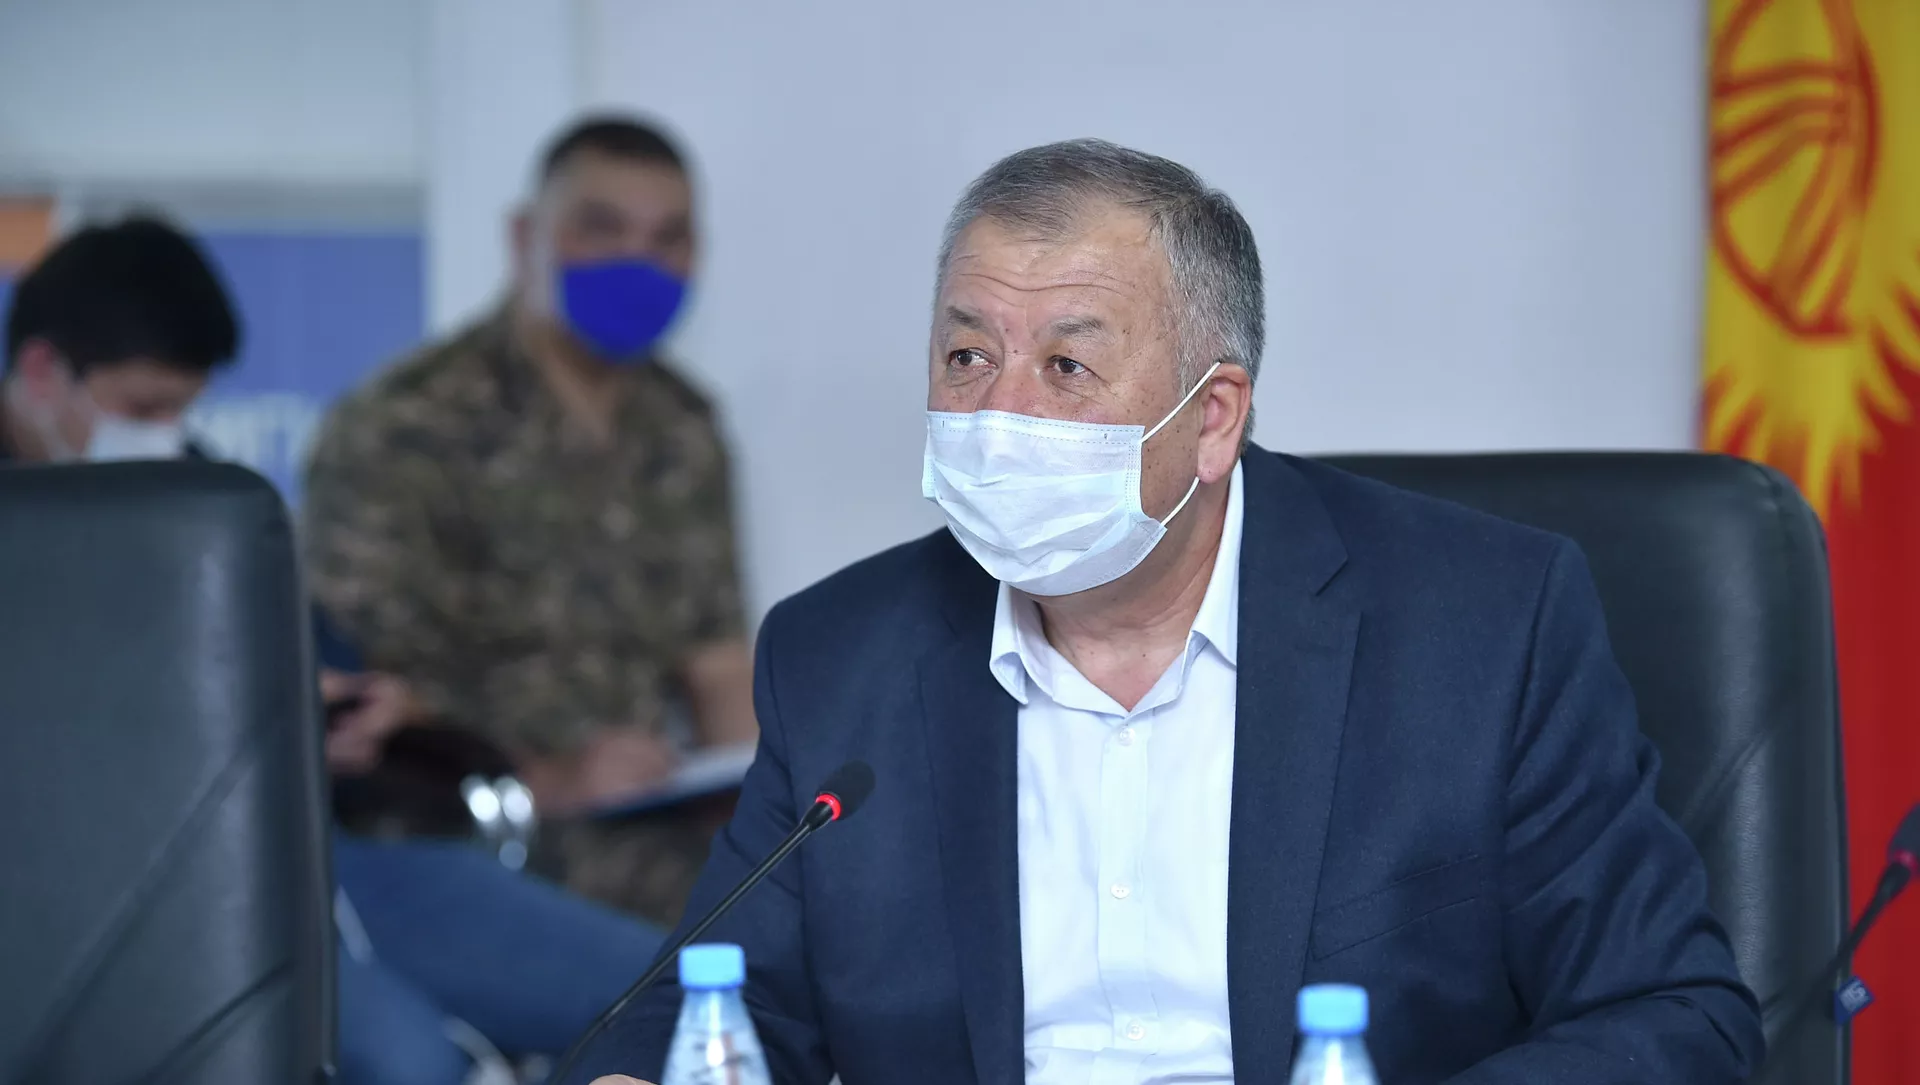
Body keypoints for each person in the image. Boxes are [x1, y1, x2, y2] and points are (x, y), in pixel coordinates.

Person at [578, 140, 1763, 1084]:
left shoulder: (1480, 628)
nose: (1001, 414)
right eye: (967, 356)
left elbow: (1673, 1015)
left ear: (1213, 418)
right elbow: (716, 1004)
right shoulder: (844, 656)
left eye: (1067, 367)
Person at [0, 214, 666, 1085]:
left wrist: (366, 714)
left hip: (329, 853)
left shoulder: (207, 503)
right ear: (43, 373)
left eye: (183, 406)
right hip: (133, 886)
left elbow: (320, 657)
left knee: (659, 986)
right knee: (409, 1062)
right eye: (144, 408)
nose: (168, 431)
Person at [302, 115, 757, 924]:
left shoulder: (684, 428)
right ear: (524, 237)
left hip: (654, 838)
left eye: (669, 238)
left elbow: (717, 666)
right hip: (460, 848)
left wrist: (762, 810)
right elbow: (356, 702)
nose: (639, 261)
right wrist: (549, 778)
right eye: (603, 228)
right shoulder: (404, 426)